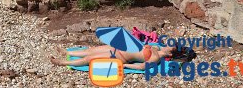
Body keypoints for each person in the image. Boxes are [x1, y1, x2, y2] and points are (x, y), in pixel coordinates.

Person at [49, 44, 178, 70]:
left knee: (89, 59)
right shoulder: (156, 47)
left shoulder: (155, 58)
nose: (167, 44)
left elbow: (142, 67)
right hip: (117, 47)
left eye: (170, 47)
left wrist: (124, 65)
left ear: (170, 53)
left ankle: (63, 63)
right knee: (92, 50)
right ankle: (68, 52)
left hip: (121, 56)